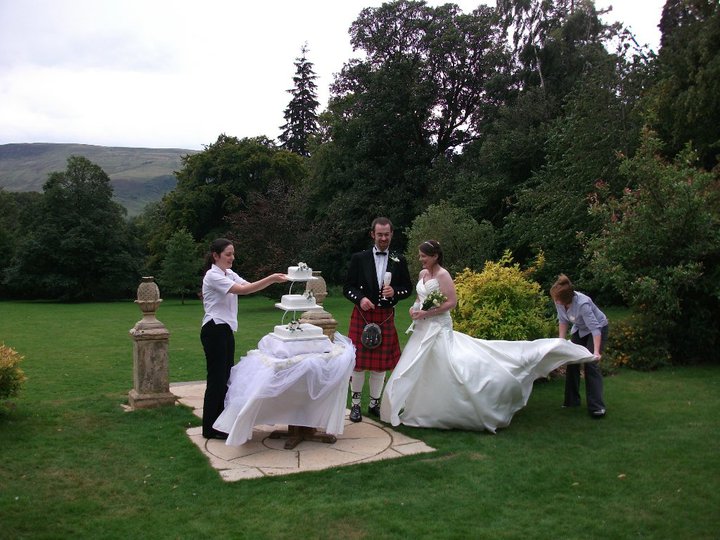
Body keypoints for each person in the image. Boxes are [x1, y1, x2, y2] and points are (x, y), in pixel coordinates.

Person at [380, 240, 596, 432]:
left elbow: (451, 303)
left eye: (423, 256)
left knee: (447, 365)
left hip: (438, 326)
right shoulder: (422, 275)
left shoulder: (443, 275)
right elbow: (420, 297)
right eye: (420, 256)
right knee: (420, 365)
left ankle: (453, 407)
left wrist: (427, 312)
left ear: (435, 256)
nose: (421, 260)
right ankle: (420, 406)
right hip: (422, 328)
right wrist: (415, 309)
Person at [200, 238, 288, 439]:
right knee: (216, 379)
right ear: (216, 255)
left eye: (233, 253)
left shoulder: (227, 273)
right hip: (214, 329)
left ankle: (220, 423)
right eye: (228, 254)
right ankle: (209, 428)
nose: (232, 258)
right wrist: (272, 278)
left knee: (225, 378)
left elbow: (248, 286)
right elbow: (242, 290)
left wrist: (271, 280)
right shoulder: (212, 276)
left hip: (225, 330)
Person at [343, 217, 412, 423]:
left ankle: (374, 404)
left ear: (392, 235)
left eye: (387, 234)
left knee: (380, 366)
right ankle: (355, 405)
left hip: (385, 316)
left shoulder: (399, 259)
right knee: (357, 364)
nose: (383, 238)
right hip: (363, 315)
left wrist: (395, 292)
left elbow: (407, 288)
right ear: (372, 234)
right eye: (380, 234)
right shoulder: (359, 258)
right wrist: (361, 298)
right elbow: (348, 287)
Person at [550, 274, 608, 418]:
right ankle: (571, 401)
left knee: (590, 365)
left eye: (557, 298)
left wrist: (595, 353)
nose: (555, 300)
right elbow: (563, 321)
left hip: (597, 329)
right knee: (572, 361)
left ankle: (597, 407)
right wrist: (561, 344)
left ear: (566, 298)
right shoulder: (559, 302)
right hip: (580, 330)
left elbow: (595, 328)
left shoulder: (583, 304)